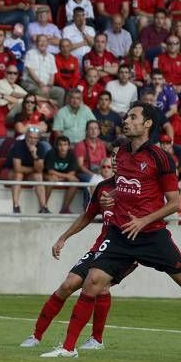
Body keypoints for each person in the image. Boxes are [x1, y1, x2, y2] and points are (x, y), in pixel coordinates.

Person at [41, 103, 181, 358]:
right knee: (91, 282)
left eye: (133, 117)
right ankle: (69, 348)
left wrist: (143, 221)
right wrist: (109, 196)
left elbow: (174, 203)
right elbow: (127, 186)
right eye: (126, 116)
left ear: (147, 124)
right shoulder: (122, 152)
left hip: (152, 235)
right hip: (120, 235)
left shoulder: (160, 157)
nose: (126, 120)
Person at [22, 140, 127, 349]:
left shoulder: (137, 188)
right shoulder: (103, 187)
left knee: (101, 285)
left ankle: (95, 340)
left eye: (119, 156)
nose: (115, 161)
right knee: (68, 284)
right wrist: (63, 237)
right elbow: (87, 216)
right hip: (102, 247)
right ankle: (36, 335)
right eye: (111, 157)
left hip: (127, 249)